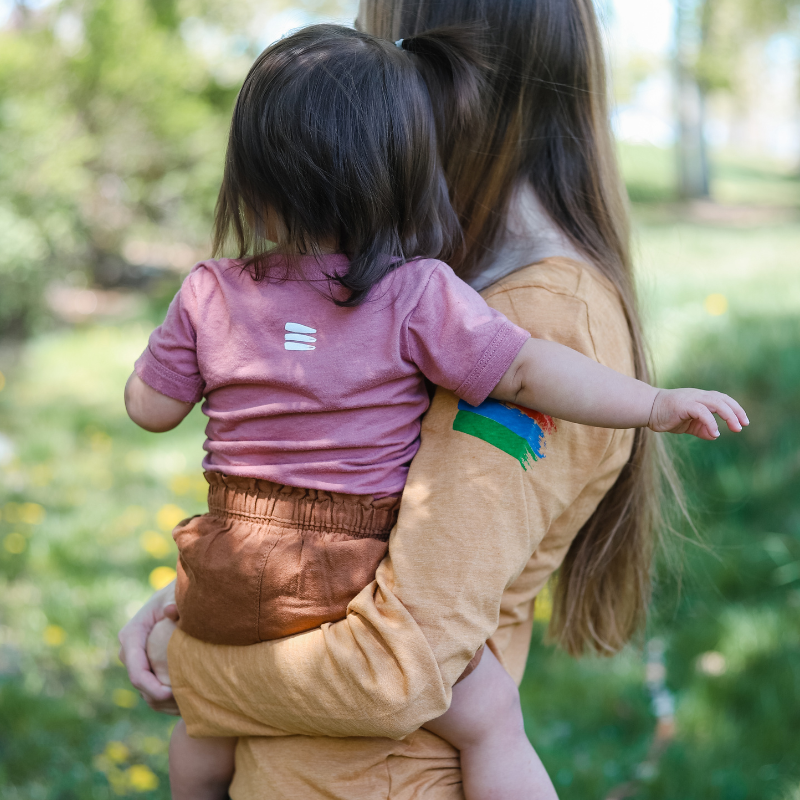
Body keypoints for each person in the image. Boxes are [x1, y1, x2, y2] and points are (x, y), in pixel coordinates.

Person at [118, 2, 737, 798]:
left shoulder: (537, 315)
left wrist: (194, 657)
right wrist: (191, 594)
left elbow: (391, 670)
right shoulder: (422, 296)